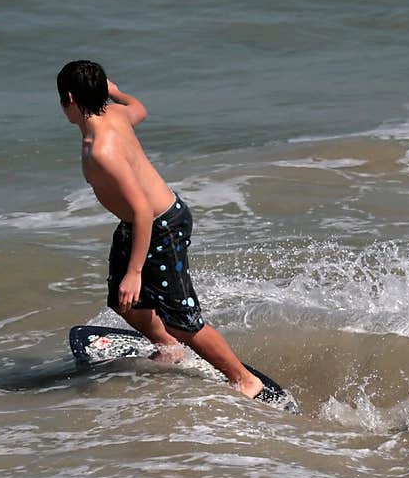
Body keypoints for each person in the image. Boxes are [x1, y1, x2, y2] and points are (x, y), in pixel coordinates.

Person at [56, 59, 268, 400]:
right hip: (140, 225)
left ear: (68, 97)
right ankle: (167, 346)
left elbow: (142, 208)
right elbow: (139, 108)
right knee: (124, 301)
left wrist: (136, 271)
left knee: (182, 318)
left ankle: (243, 378)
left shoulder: (101, 150)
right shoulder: (115, 114)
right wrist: (117, 92)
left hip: (160, 225)